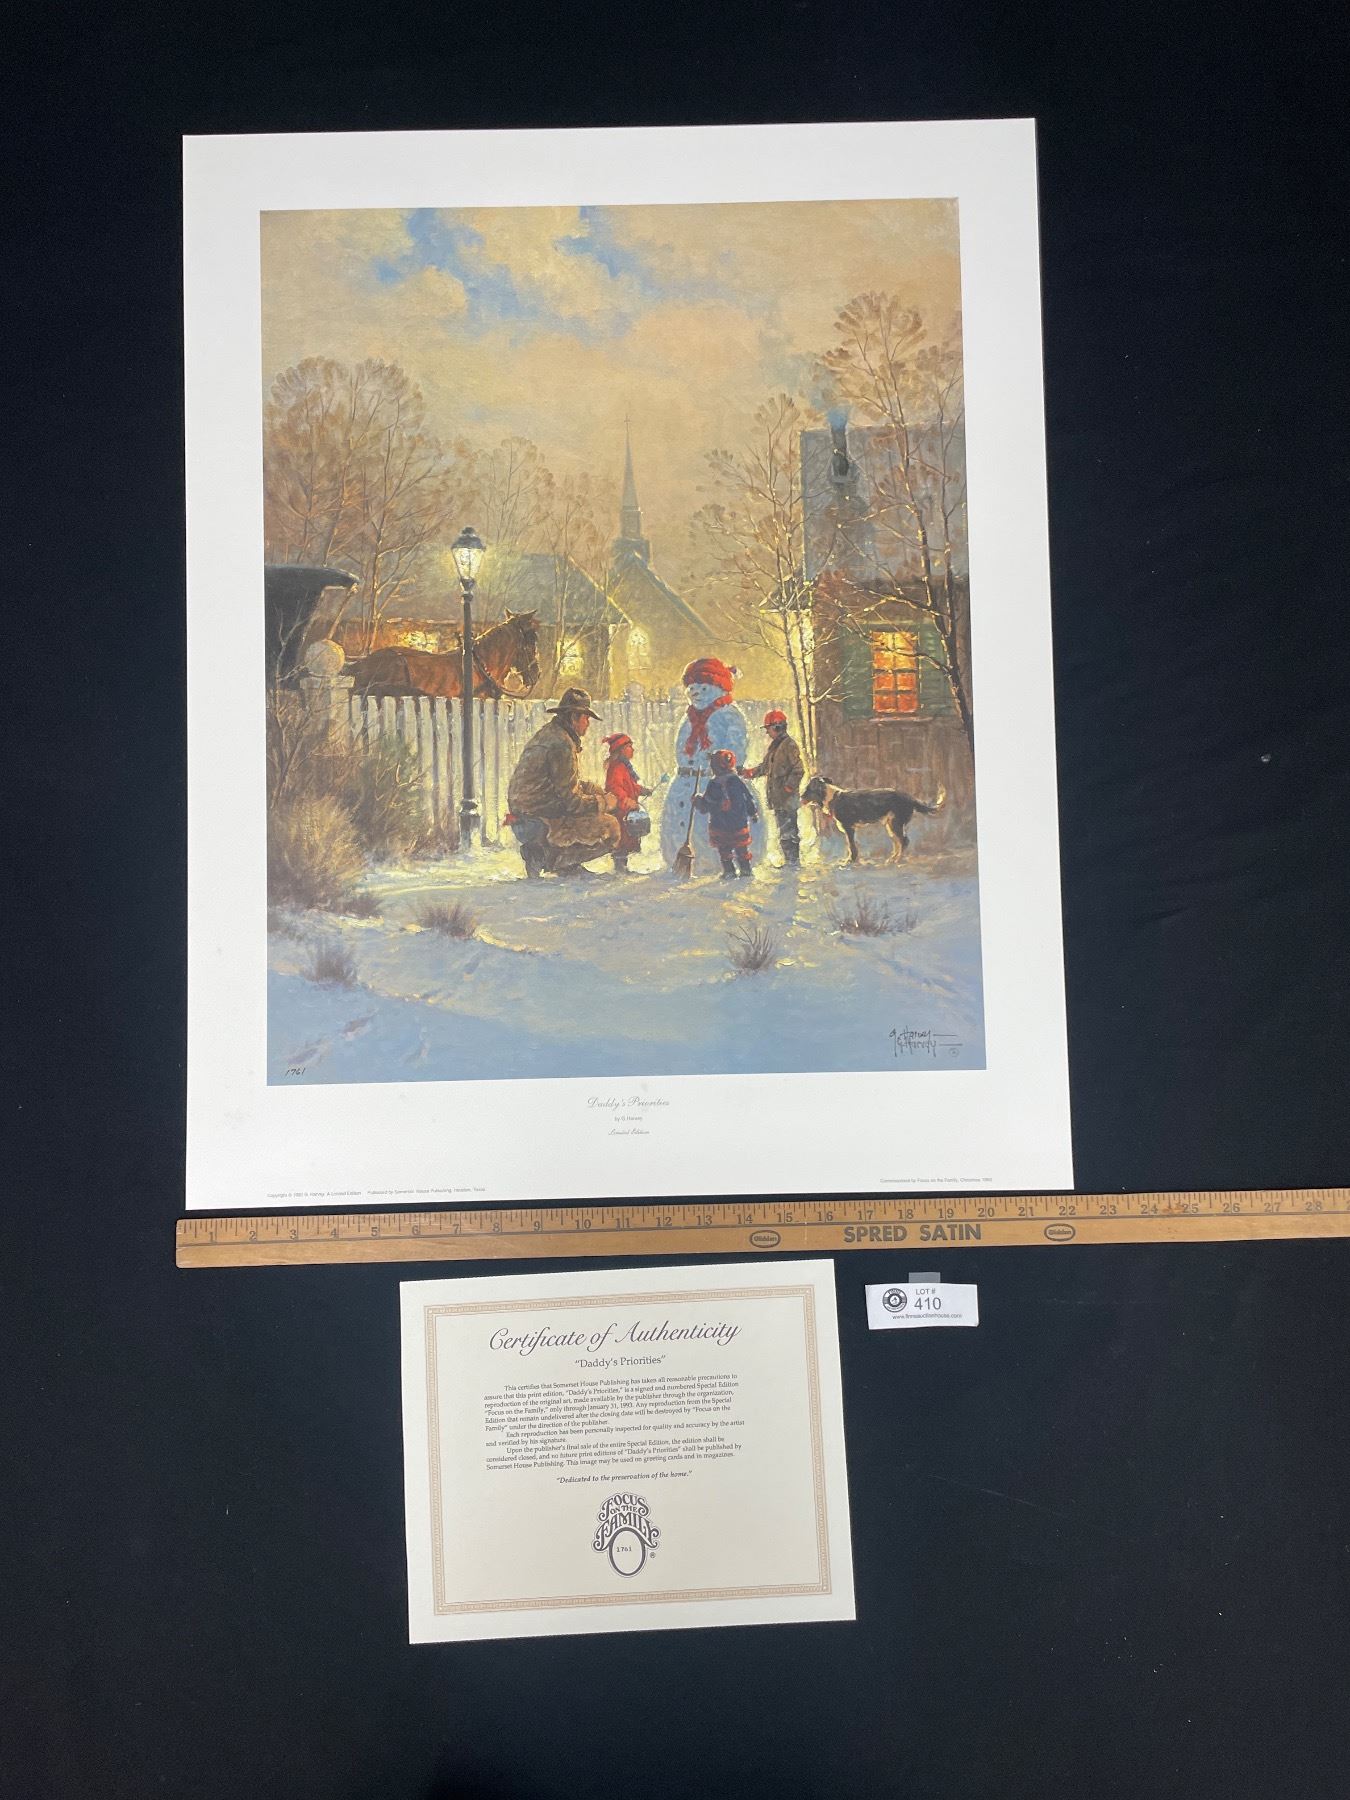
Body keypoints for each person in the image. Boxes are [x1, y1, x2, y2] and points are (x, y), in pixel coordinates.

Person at [658, 655, 765, 875]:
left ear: (717, 687)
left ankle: (723, 864)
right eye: (691, 688)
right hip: (686, 780)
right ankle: (680, 860)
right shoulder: (689, 717)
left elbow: (736, 749)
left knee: (716, 827)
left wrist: (715, 764)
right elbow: (680, 749)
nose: (695, 693)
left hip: (718, 782)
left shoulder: (729, 715)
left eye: (702, 688)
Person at [505, 687, 622, 877]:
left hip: (527, 808)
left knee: (593, 792)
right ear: (574, 717)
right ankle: (555, 859)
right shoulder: (562, 744)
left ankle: (552, 856)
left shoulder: (551, 733)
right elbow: (571, 802)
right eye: (586, 718)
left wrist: (594, 790)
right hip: (540, 816)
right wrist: (604, 802)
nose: (588, 724)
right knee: (612, 827)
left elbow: (560, 783)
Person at [742, 709, 805, 866]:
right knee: (784, 831)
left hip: (787, 798)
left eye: (768, 728)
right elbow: (765, 767)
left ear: (777, 727)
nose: (767, 732)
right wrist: (750, 773)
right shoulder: (775, 747)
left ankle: (793, 862)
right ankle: (790, 861)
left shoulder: (789, 745)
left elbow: (798, 770)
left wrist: (788, 788)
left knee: (789, 832)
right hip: (778, 798)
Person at [692, 748, 759, 879]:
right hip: (738, 823)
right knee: (741, 848)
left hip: (720, 825)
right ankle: (745, 870)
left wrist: (697, 801)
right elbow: (748, 799)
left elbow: (706, 806)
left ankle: (729, 872)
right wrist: (753, 813)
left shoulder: (713, 785)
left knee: (724, 849)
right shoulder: (737, 782)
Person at [601, 732, 652, 874]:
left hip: (626, 811)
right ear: (622, 749)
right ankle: (620, 869)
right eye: (629, 746)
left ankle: (622, 867)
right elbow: (615, 789)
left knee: (626, 841)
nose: (632, 749)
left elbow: (630, 785)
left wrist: (641, 790)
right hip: (620, 812)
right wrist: (627, 801)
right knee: (621, 842)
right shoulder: (617, 767)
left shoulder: (624, 766)